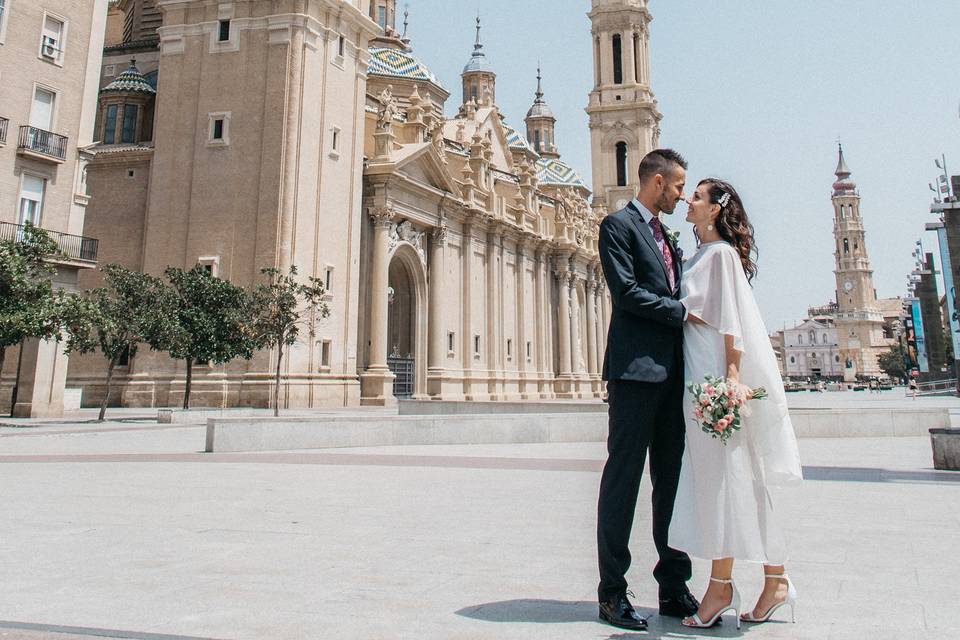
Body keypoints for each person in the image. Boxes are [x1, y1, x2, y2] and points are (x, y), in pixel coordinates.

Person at [668, 178, 803, 629]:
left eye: (698, 196)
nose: (689, 200)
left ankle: (721, 586)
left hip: (712, 378)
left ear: (715, 210)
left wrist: (728, 380)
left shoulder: (721, 254)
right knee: (734, 479)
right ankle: (774, 577)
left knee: (723, 480)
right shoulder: (704, 254)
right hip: (700, 373)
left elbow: (733, 323)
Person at [596, 149, 699, 631]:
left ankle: (674, 585)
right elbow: (627, 292)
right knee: (623, 481)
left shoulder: (667, 237)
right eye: (678, 186)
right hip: (634, 373)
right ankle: (612, 593)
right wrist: (681, 312)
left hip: (671, 376)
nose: (682, 194)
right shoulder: (617, 227)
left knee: (671, 484)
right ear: (657, 182)